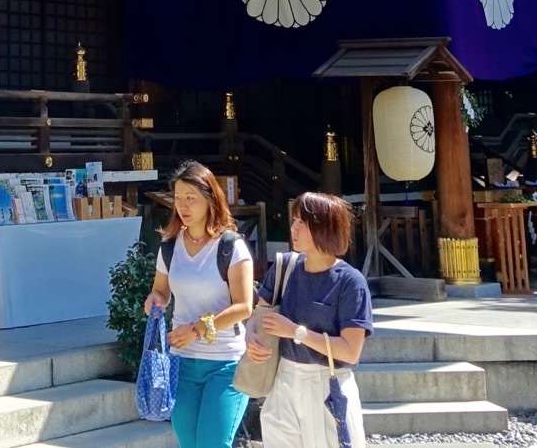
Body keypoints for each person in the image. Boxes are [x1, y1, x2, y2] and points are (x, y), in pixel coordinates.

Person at [247, 192, 373, 447]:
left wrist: (296, 332)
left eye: (301, 223)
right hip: (283, 379)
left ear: (324, 228)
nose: (293, 228)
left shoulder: (351, 282)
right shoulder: (285, 267)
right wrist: (250, 335)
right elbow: (257, 315)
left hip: (326, 382)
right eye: (294, 221)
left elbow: (350, 352)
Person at [142, 161, 254, 448]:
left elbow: (244, 306)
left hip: (226, 363)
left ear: (210, 199)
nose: (183, 205)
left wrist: (197, 328)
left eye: (190, 198)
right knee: (189, 443)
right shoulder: (169, 246)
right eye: (178, 198)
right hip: (182, 362)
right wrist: (156, 301)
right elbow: (161, 291)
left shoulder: (231, 246)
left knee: (212, 444)